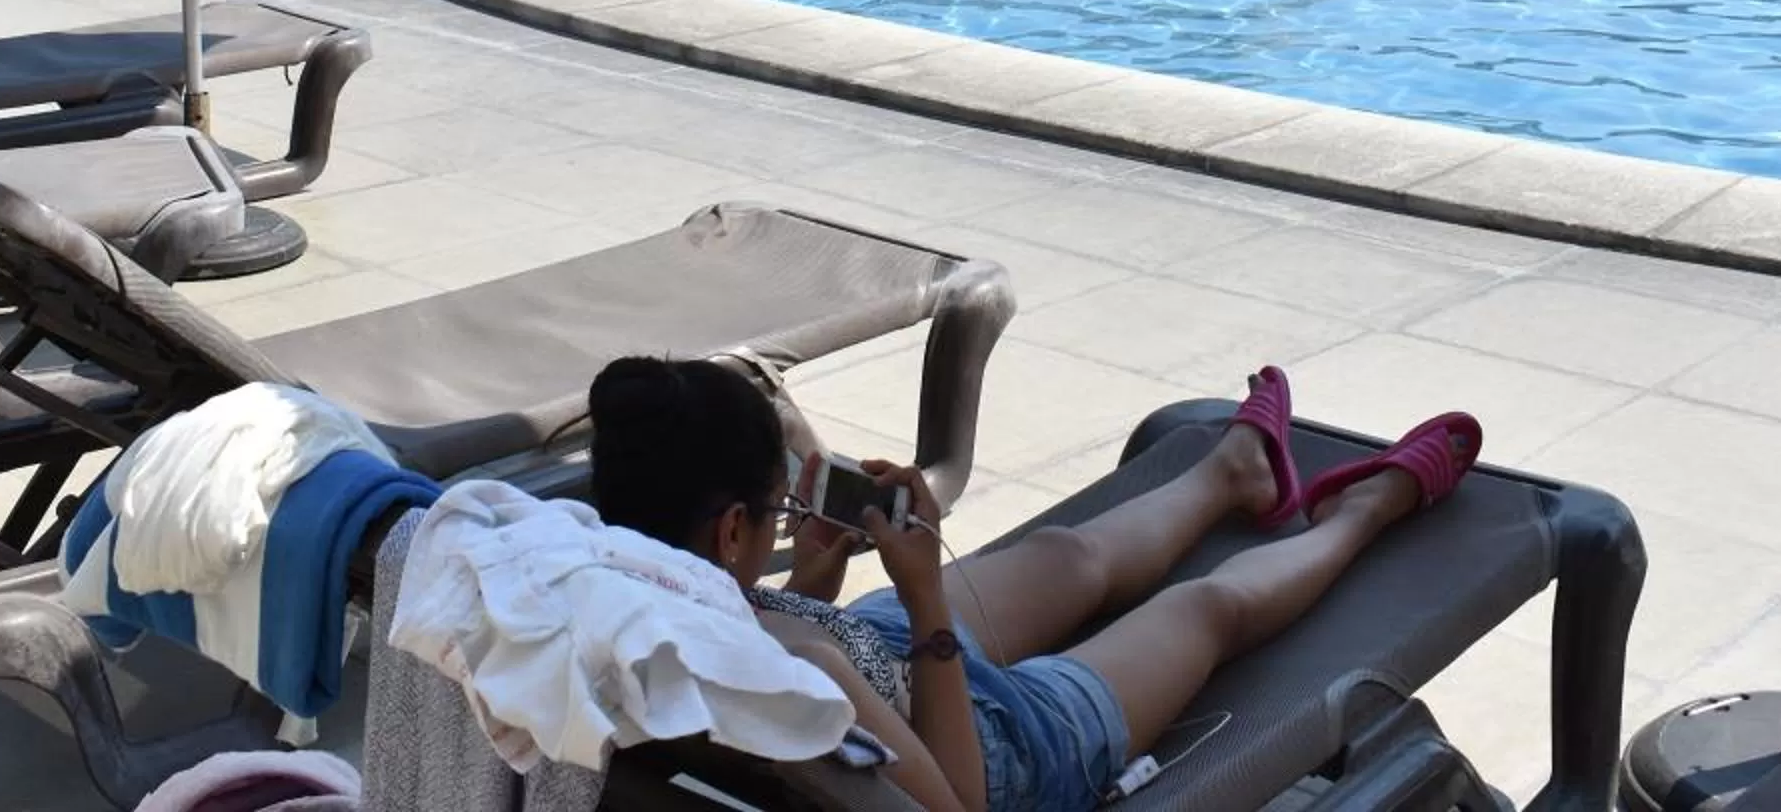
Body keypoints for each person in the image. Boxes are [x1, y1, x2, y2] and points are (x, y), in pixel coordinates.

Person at [586, 356, 1477, 812]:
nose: (786, 517)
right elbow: (960, 804)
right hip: (1001, 747)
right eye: (776, 508)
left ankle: (1235, 473)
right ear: (732, 527)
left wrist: (816, 563)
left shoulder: (606, 585)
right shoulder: (802, 668)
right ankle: (1366, 509)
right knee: (1205, 609)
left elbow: (771, 626)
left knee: (1068, 556)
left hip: (876, 656)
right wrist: (927, 593)